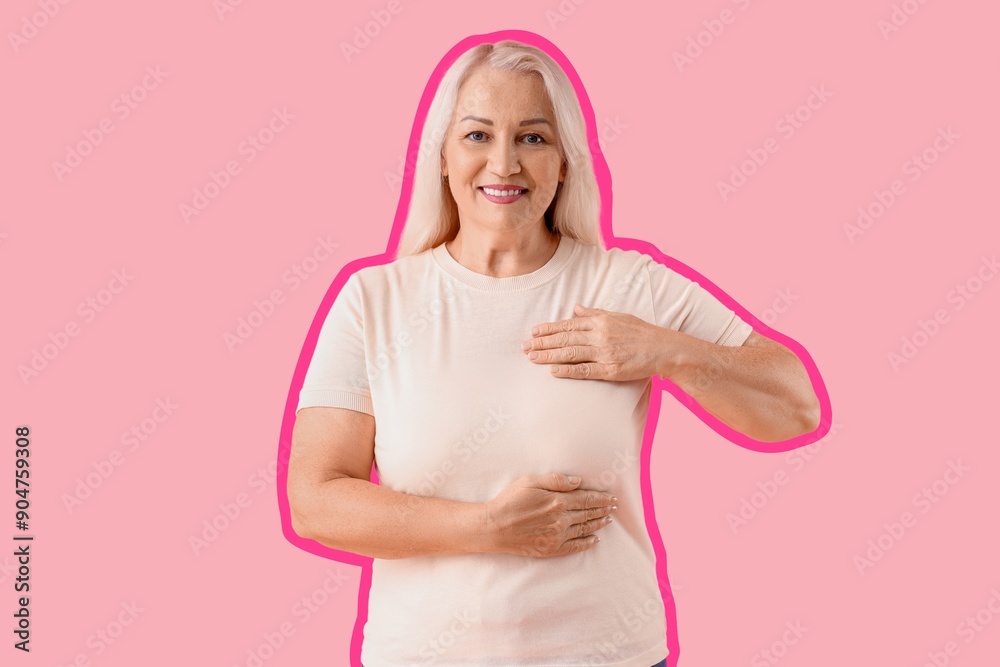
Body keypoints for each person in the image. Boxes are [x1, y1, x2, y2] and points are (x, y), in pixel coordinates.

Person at [286, 37, 821, 667]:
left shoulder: (626, 286)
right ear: (442, 155)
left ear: (566, 160)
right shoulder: (373, 302)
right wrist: (490, 528)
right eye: (478, 135)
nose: (505, 164)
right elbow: (316, 501)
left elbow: (795, 407)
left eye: (533, 138)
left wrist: (665, 351)